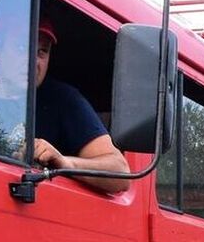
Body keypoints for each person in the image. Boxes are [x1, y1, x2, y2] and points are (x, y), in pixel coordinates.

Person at [32, 18, 131, 193]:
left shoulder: (62, 99)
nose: (33, 61)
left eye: (42, 51)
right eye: (22, 46)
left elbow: (120, 173)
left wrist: (63, 163)